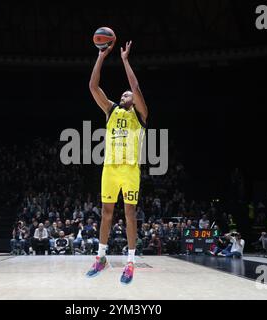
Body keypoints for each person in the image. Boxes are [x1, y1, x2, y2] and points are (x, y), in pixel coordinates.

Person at [86, 39, 148, 285]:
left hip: (130, 170)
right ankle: (101, 257)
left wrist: (124, 60)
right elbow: (93, 86)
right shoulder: (111, 110)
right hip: (110, 169)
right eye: (122, 93)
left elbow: (135, 85)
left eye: (128, 94)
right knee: (106, 213)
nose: (124, 94)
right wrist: (102, 55)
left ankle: (131, 262)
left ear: (134, 100)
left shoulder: (141, 114)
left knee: (130, 214)